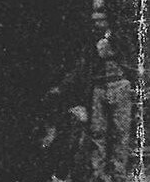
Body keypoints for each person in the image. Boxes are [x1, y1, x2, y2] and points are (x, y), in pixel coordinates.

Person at [43, 21, 134, 182]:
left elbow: (129, 59)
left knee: (120, 133)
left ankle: (118, 175)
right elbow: (81, 67)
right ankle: (98, 175)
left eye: (102, 20)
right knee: (98, 133)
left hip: (119, 85)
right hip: (99, 87)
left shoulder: (120, 38)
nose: (98, 24)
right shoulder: (90, 45)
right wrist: (62, 87)